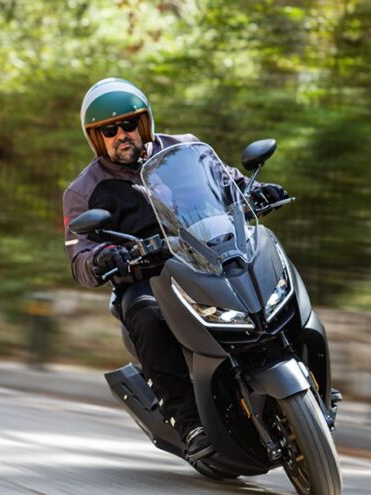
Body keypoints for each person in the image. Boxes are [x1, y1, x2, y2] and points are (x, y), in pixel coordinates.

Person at [62, 78, 287, 466]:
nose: (121, 135)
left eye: (128, 124)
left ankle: (300, 365)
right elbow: (79, 257)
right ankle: (190, 423)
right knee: (145, 314)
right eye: (109, 131)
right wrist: (102, 257)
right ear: (96, 138)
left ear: (144, 123)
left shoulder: (184, 149)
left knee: (267, 269)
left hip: (211, 257)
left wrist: (257, 191)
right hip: (147, 278)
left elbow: (229, 184)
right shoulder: (83, 191)